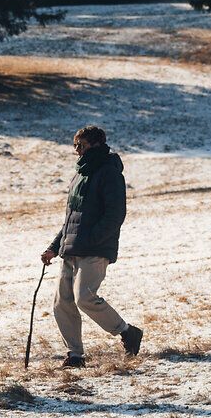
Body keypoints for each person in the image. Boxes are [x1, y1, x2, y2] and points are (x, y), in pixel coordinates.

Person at [40, 126, 142, 367]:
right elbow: (71, 219)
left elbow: (115, 214)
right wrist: (54, 247)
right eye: (75, 146)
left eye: (82, 145)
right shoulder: (80, 175)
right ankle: (75, 355)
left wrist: (94, 240)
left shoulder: (109, 173)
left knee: (84, 297)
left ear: (97, 145)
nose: (77, 150)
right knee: (61, 302)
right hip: (71, 249)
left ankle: (127, 332)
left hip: (95, 249)